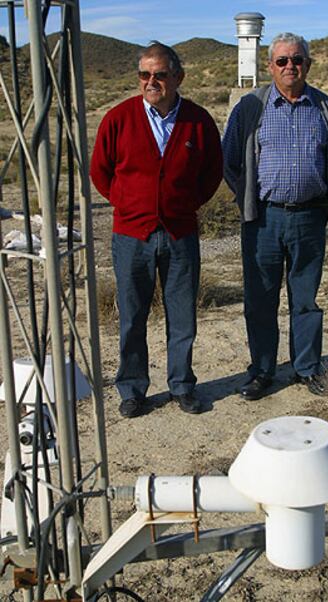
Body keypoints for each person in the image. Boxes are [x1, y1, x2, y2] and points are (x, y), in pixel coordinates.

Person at [90, 42, 222, 417]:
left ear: (177, 78)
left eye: (160, 75)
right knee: (132, 317)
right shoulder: (118, 118)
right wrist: (129, 203)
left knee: (182, 316)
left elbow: (212, 171)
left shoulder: (198, 120)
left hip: (180, 234)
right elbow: (100, 170)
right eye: (145, 75)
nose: (152, 82)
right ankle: (132, 389)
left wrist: (185, 204)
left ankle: (182, 386)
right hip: (131, 236)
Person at [222, 32, 328, 400]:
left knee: (305, 298)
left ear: (308, 63)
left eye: (298, 59)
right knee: (261, 298)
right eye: (282, 61)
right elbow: (228, 161)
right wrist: (247, 200)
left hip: (309, 217)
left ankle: (306, 368)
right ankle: (261, 370)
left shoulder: (326, 107)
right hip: (264, 219)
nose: (290, 66)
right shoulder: (250, 107)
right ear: (269, 66)